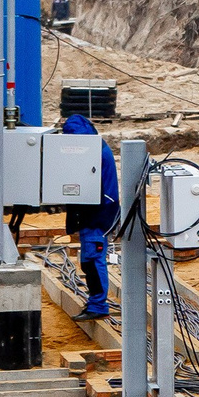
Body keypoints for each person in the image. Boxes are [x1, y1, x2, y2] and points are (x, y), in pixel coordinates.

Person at [57, 114, 117, 319]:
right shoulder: (93, 146)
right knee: (89, 260)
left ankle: (98, 306)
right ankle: (95, 303)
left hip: (97, 214)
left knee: (93, 260)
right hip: (94, 212)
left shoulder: (90, 151)